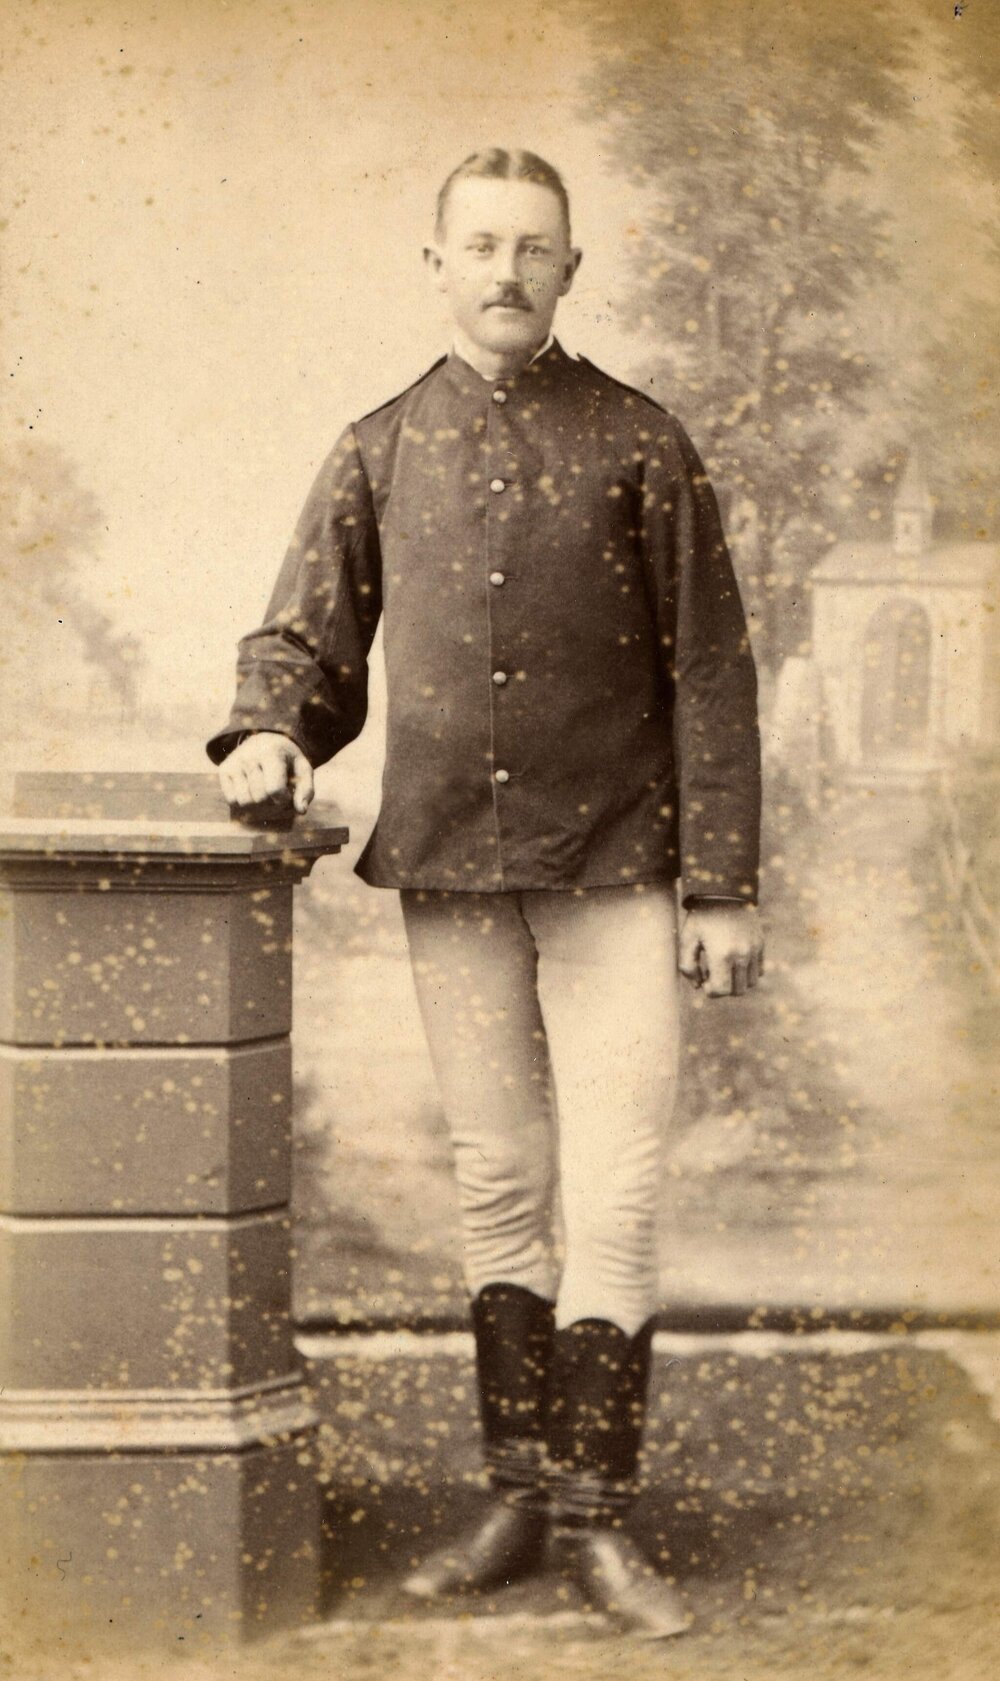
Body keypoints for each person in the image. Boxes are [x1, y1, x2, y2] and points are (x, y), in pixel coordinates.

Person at [208, 147, 763, 1640]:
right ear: (437, 264)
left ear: (571, 269)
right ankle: (520, 1498)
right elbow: (304, 642)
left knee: (617, 1190)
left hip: (620, 870)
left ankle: (597, 1522)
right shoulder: (380, 447)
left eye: (534, 247)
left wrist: (721, 884)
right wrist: (271, 732)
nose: (508, 271)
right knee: (500, 1181)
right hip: (452, 868)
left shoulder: (642, 442)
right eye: (481, 245)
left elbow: (712, 670)